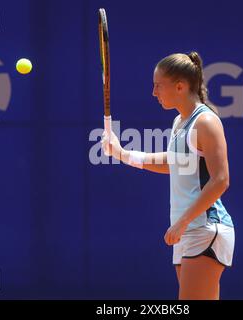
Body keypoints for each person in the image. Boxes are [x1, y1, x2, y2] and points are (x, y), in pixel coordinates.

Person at [101, 52, 235, 300]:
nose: (154, 93)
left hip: (205, 229)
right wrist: (122, 153)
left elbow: (221, 180)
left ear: (180, 86)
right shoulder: (179, 123)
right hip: (188, 230)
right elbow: (173, 162)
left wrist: (183, 221)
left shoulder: (206, 122)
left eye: (158, 86)